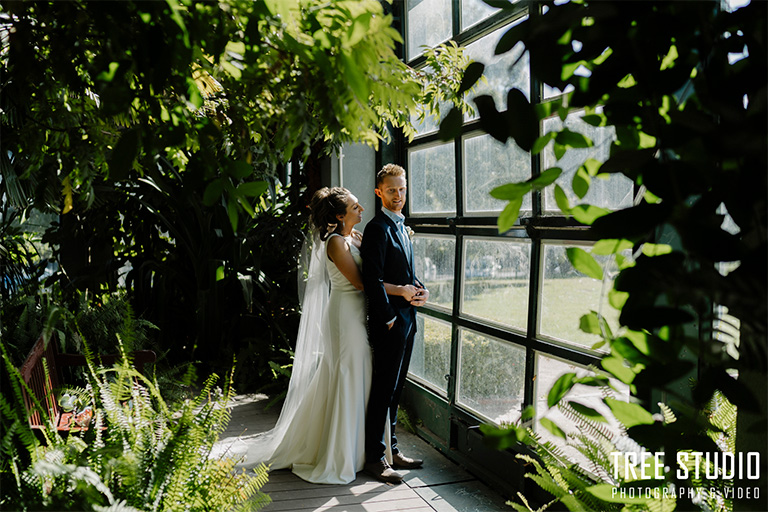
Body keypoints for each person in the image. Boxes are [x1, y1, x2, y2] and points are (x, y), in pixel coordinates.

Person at [245, 186, 413, 484]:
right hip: (345, 317)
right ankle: (343, 453)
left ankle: (366, 450)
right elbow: (362, 283)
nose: (362, 209)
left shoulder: (353, 238)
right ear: (339, 216)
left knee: (362, 376)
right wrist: (400, 290)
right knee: (350, 375)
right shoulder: (336, 243)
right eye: (355, 207)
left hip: (360, 314)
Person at [361, 163, 430, 485]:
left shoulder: (401, 226)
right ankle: (375, 459)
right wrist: (388, 316)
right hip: (390, 321)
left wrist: (419, 288)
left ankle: (393, 450)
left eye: (402, 189)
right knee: (383, 391)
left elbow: (403, 271)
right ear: (379, 192)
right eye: (392, 190)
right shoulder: (377, 228)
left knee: (396, 388)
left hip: (408, 317)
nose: (398, 195)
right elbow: (371, 278)